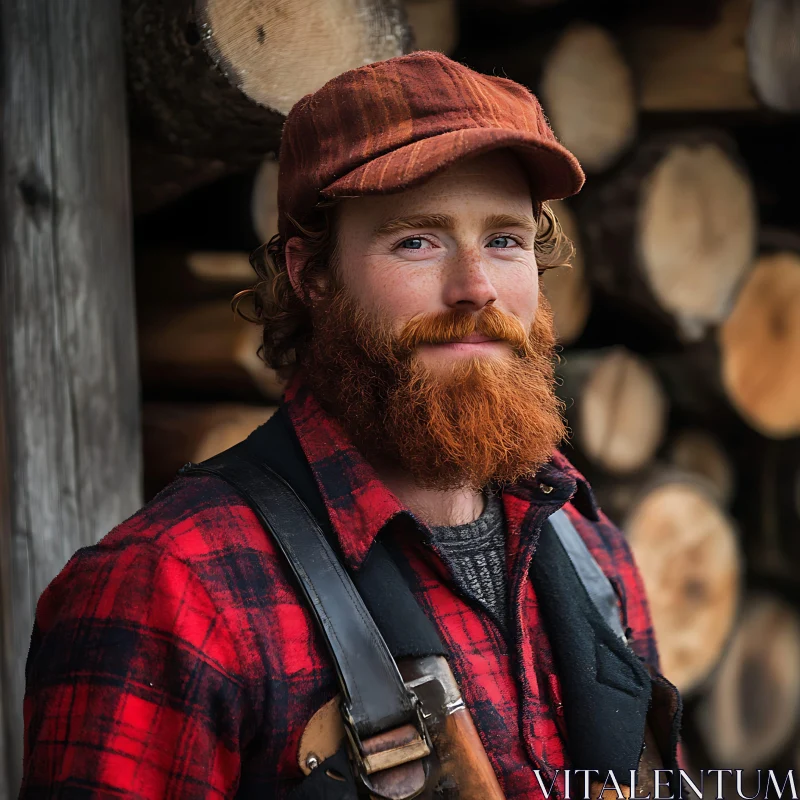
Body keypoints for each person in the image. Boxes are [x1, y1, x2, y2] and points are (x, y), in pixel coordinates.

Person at [19, 51, 681, 799]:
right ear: (313, 274)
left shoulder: (596, 554)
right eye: (417, 241)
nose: (476, 289)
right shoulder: (169, 589)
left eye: (505, 240)